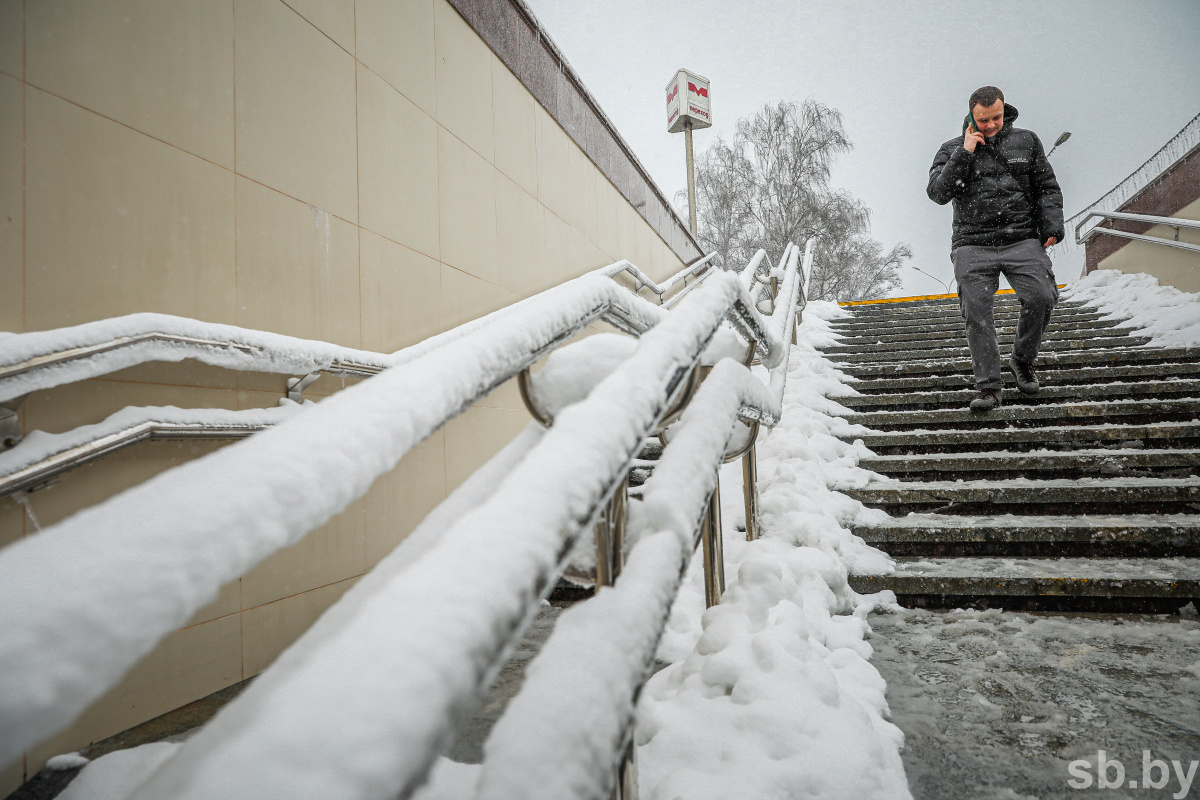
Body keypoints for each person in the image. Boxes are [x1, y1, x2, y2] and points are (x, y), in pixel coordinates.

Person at [927, 86, 1065, 411]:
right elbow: (938, 192)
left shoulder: (1027, 141)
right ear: (972, 116)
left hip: (1022, 238)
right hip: (972, 243)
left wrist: (1051, 227)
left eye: (996, 118)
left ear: (1005, 111)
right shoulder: (951, 149)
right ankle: (988, 388)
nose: (990, 125)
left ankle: (1022, 359)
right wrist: (965, 152)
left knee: (1042, 296)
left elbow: (1047, 186)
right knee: (976, 311)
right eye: (983, 119)